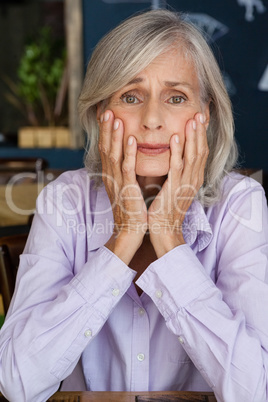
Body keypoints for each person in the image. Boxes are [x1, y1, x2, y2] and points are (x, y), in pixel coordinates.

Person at [0, 8, 268, 402]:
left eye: (176, 97)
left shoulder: (241, 204)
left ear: (205, 116)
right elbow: (18, 383)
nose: (152, 119)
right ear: (99, 112)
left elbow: (253, 390)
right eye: (131, 96)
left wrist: (168, 239)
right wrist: (123, 239)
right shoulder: (63, 201)